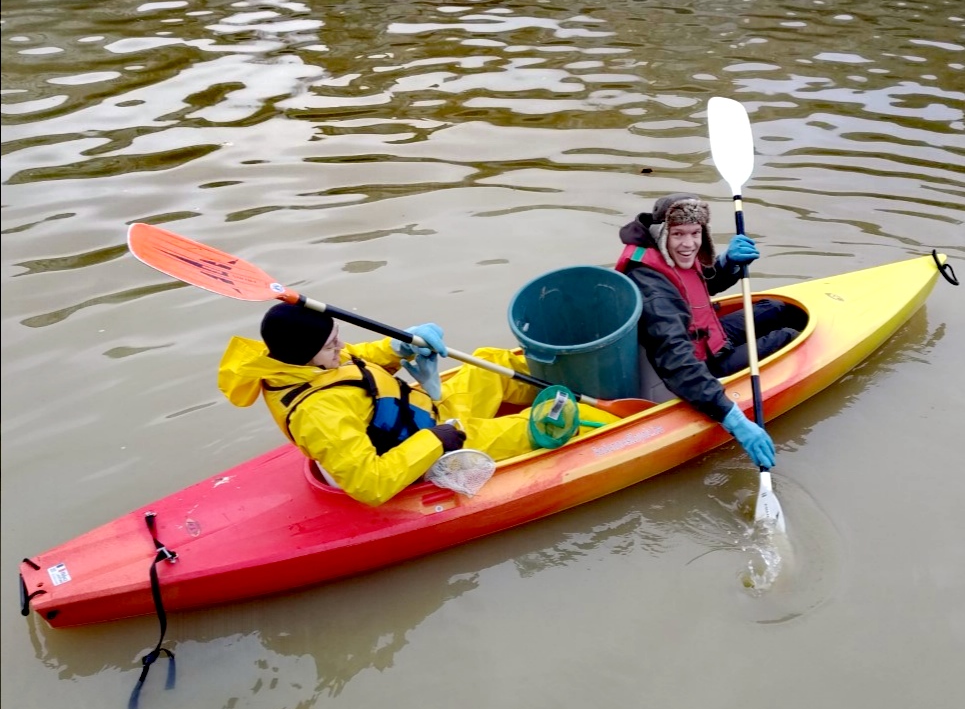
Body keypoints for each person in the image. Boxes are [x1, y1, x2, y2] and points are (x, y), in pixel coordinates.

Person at [218, 303, 616, 506]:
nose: (340, 346)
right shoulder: (319, 415)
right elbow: (369, 484)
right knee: (546, 422)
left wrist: (397, 345)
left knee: (490, 362)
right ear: (305, 355)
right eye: (331, 345)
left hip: (427, 414)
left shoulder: (306, 361)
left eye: (337, 337)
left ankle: (580, 375)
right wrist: (436, 442)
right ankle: (608, 421)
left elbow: (357, 359)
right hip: (423, 453)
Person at [617, 193, 806, 469]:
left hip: (708, 337)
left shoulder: (669, 252)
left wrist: (728, 264)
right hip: (695, 369)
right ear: (661, 233)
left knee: (776, 309)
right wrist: (734, 420)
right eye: (679, 233)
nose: (689, 244)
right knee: (787, 337)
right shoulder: (651, 288)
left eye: (695, 233)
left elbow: (698, 286)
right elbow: (677, 362)